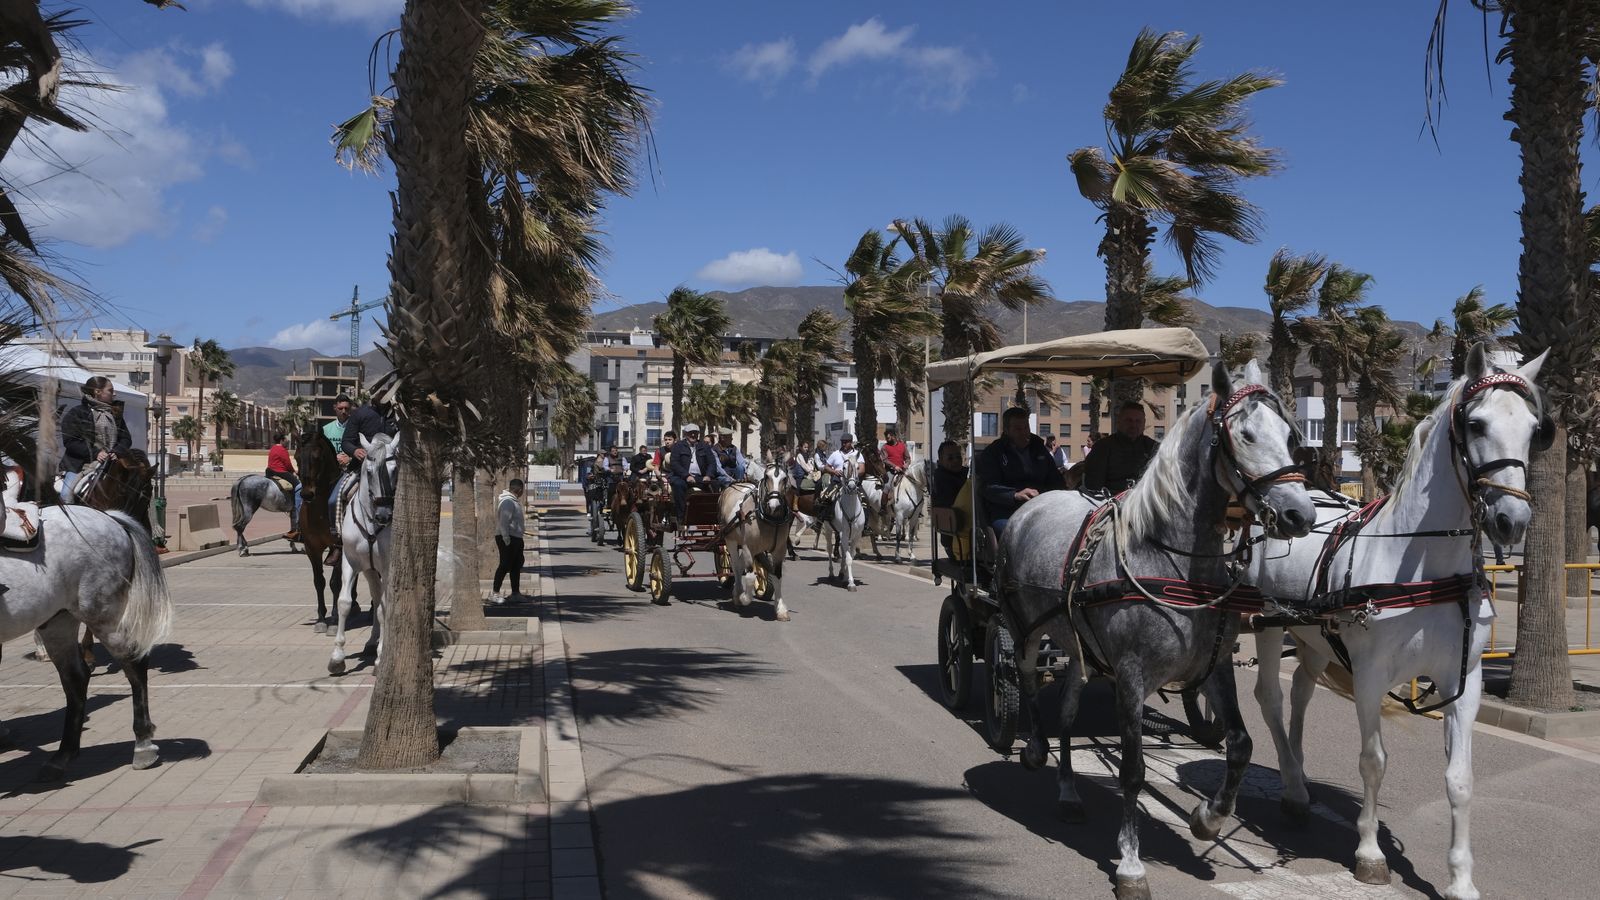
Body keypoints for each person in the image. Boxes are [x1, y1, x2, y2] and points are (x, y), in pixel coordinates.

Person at [977, 407, 1065, 534]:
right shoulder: (993, 453)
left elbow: (1054, 479)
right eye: (1018, 429)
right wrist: (1015, 495)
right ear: (1006, 430)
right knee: (1014, 533)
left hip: (1041, 505)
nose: (1024, 433)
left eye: (1026, 428)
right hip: (1007, 510)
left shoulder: (1039, 448)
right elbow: (988, 487)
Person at [59, 375, 132, 499]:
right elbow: (70, 441)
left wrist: (116, 452)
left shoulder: (115, 414)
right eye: (110, 390)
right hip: (80, 465)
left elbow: (126, 439)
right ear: (97, 392)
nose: (114, 394)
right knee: (66, 495)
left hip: (111, 463)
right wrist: (96, 453)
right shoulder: (77, 413)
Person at [1081, 401, 1159, 493]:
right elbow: (1093, 486)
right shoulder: (1102, 447)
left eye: (1138, 421)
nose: (1133, 425)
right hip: (1109, 502)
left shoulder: (1154, 448)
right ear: (1118, 422)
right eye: (1128, 420)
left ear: (1144, 423)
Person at [667, 427, 718, 525]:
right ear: (686, 434)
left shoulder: (704, 446)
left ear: (698, 434)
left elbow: (712, 463)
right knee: (678, 485)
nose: (693, 435)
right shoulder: (678, 446)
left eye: (695, 433)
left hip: (700, 478)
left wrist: (708, 475)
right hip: (681, 477)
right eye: (691, 433)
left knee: (716, 484)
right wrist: (686, 475)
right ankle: (681, 517)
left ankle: (713, 516)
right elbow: (674, 463)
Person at [493, 478, 526, 602]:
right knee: (505, 564)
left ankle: (515, 593)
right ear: (519, 489)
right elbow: (504, 522)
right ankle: (495, 593)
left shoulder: (514, 501)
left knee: (516, 565)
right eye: (522, 490)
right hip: (507, 538)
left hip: (516, 537)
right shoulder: (508, 502)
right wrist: (506, 539)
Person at [265, 433, 301, 540]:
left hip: (270, 472)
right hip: (280, 472)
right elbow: (288, 464)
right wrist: (295, 472)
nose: (287, 441)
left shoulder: (272, 449)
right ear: (281, 440)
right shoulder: (282, 450)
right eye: (286, 439)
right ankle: (295, 506)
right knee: (298, 486)